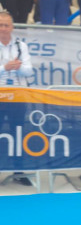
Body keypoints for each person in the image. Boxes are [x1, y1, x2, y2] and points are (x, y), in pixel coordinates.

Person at [0, 11, 33, 186]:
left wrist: (18, 68)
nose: (3, 29)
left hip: (17, 98)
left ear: (12, 27)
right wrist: (5, 68)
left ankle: (19, 172)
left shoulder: (21, 46)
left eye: (6, 25)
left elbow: (29, 71)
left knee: (18, 134)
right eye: (0, 25)